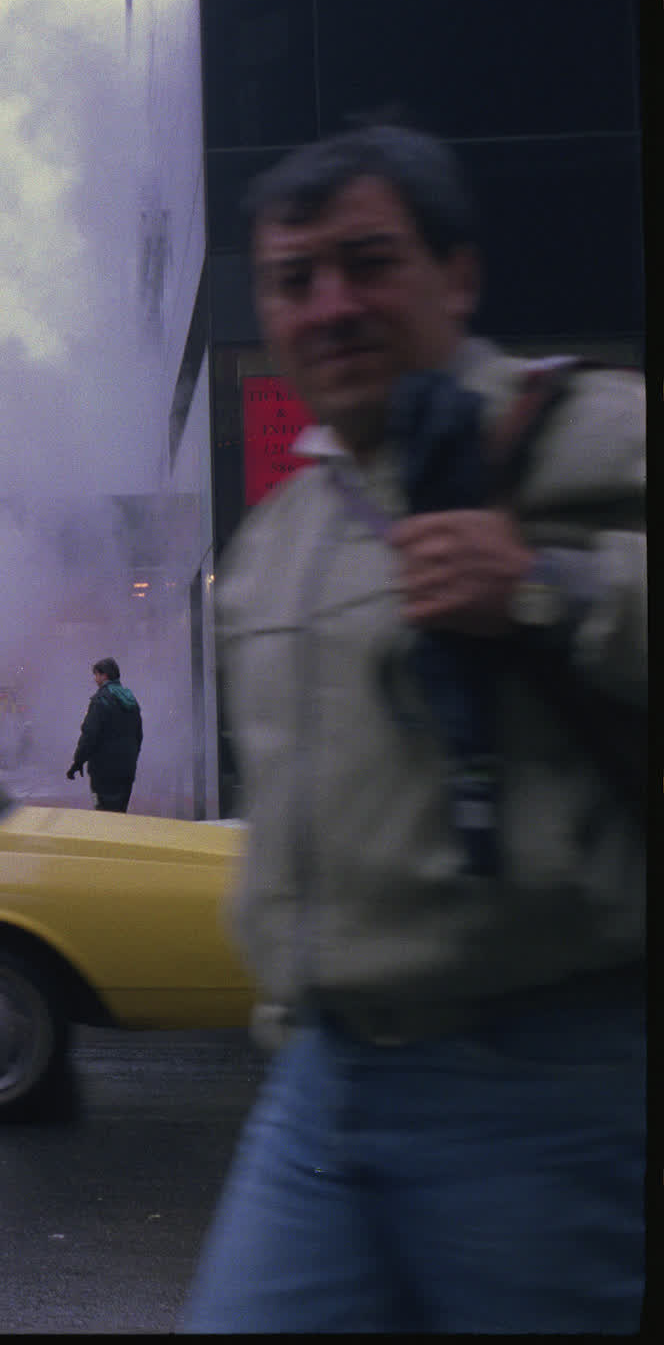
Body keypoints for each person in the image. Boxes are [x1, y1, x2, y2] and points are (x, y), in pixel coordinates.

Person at [181, 123, 645, 1333]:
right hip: (316, 1086)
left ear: (457, 275)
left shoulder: (581, 428)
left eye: (366, 261)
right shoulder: (276, 539)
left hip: (541, 1082)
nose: (328, 305)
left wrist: (550, 585)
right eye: (292, 280)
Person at [66, 657, 142, 812]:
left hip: (103, 771)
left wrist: (78, 762)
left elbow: (89, 735)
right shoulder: (131, 700)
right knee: (120, 813)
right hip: (126, 769)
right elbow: (138, 735)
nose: (95, 679)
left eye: (96, 675)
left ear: (104, 675)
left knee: (103, 814)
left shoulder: (101, 700)